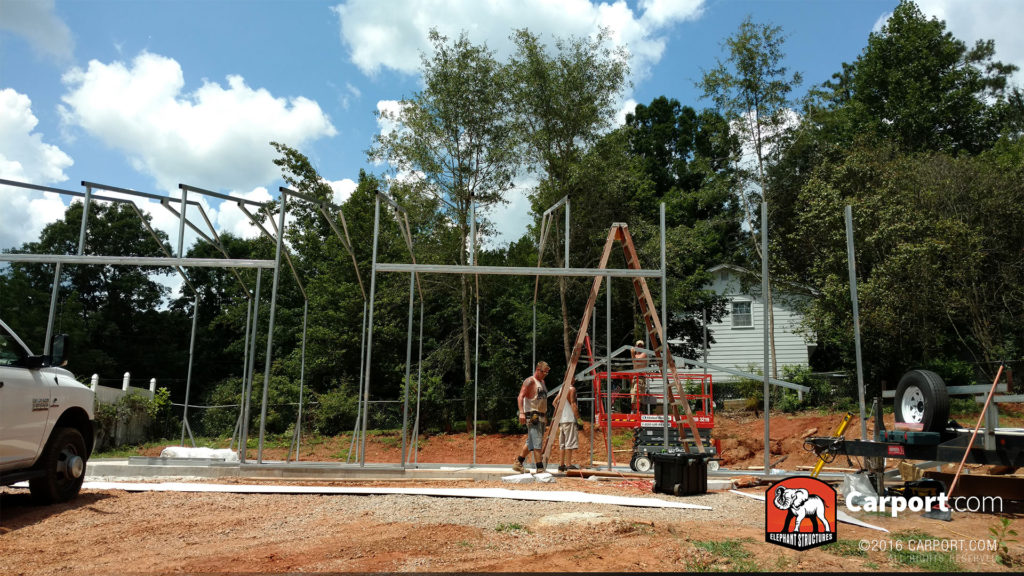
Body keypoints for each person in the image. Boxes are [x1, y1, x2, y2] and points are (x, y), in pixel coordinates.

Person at [513, 361, 549, 473]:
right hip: (533, 415)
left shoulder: (542, 382)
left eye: (547, 373)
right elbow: (520, 396)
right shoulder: (530, 381)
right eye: (544, 372)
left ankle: (518, 463)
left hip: (541, 415)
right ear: (538, 370)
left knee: (531, 442)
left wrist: (545, 416)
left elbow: (542, 400)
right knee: (537, 441)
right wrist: (521, 413)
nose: (545, 374)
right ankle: (540, 468)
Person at [557, 380, 581, 472]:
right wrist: (578, 418)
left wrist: (562, 412)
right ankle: (568, 464)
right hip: (570, 419)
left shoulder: (562, 389)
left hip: (562, 420)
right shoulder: (571, 389)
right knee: (569, 443)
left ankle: (561, 465)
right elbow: (573, 404)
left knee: (562, 444)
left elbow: (554, 402)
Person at [631, 340, 649, 408]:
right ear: (636, 346)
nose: (640, 347)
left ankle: (637, 410)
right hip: (635, 377)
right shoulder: (635, 355)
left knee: (637, 393)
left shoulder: (644, 354)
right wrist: (633, 354)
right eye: (638, 346)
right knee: (633, 394)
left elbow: (636, 361)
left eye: (641, 346)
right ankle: (634, 410)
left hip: (641, 378)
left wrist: (632, 353)